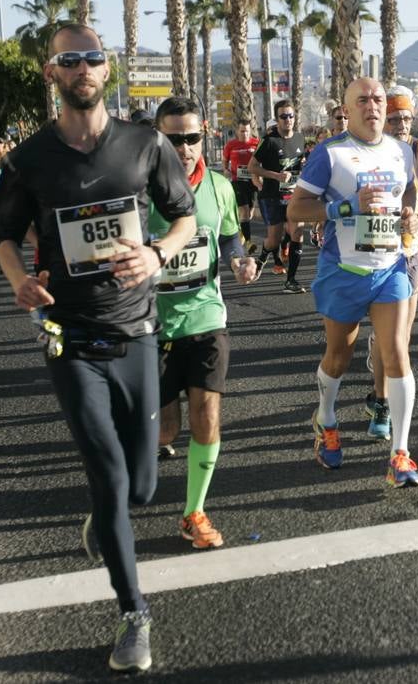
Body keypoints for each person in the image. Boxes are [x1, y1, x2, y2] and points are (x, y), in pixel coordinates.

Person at [0, 23, 196, 673]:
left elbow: (184, 213)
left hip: (137, 332)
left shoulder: (144, 144)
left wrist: (157, 252)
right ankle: (133, 613)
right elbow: (4, 235)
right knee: (108, 475)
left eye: (92, 58)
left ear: (106, 71)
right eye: (68, 60)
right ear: (51, 74)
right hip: (70, 340)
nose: (82, 67)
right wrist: (22, 280)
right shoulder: (29, 159)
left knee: (140, 485)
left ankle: (109, 522)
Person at [288, 77, 418, 487]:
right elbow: (297, 208)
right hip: (343, 270)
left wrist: (411, 218)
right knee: (338, 357)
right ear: (348, 109)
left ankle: (400, 453)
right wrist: (346, 206)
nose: (372, 106)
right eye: (362, 100)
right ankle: (326, 417)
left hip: (390, 266)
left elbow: (409, 195)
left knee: (396, 353)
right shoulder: (330, 153)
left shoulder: (403, 151)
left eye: (378, 99)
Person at [151, 97, 260, 550]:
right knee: (166, 430)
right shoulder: (139, 191)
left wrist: (239, 263)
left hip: (206, 315)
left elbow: (231, 240)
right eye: (172, 139)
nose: (183, 147)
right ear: (156, 140)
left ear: (206, 135)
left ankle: (194, 511)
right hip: (151, 324)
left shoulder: (220, 188)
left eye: (191, 137)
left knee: (207, 414)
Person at [362, 90, 418, 441]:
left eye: (405, 120)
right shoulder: (366, 150)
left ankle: (382, 402)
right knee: (389, 338)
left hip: (408, 253)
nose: (399, 126)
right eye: (393, 119)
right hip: (371, 252)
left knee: (400, 337)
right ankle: (381, 401)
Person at [247, 99, 308, 293]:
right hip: (272, 195)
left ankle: (291, 280)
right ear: (277, 119)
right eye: (283, 116)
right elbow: (252, 167)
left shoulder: (299, 138)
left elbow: (300, 162)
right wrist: (276, 175)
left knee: (297, 233)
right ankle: (263, 258)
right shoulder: (269, 141)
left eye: (290, 116)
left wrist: (304, 166)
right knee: (274, 239)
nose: (288, 120)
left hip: (294, 195)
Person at [222, 121, 262, 253]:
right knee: (244, 211)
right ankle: (249, 242)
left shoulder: (256, 143)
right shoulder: (231, 145)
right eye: (242, 131)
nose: (244, 134)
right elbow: (225, 161)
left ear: (250, 131)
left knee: (249, 213)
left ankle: (241, 231)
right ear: (237, 131)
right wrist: (225, 169)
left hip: (252, 181)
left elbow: (263, 160)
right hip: (238, 181)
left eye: (247, 131)